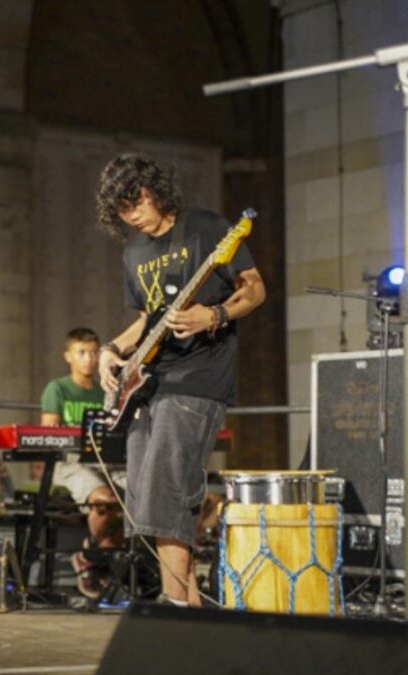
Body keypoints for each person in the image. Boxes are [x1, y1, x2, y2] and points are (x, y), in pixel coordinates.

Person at [94, 153, 265, 607]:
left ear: (153, 190)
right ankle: (188, 605)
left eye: (136, 203)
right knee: (146, 495)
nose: (132, 216)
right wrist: (112, 350)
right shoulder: (134, 251)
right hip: (150, 382)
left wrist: (214, 312)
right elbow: (147, 320)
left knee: (167, 487)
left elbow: (254, 287)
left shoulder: (207, 229)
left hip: (199, 377)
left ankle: (173, 606)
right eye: (122, 212)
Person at [37, 327, 124, 599]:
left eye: (93, 352)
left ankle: (92, 553)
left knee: (142, 496)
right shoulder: (58, 388)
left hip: (105, 461)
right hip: (70, 462)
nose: (88, 359)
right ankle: (95, 557)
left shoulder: (105, 390)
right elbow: (49, 435)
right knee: (104, 498)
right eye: (81, 352)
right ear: (68, 356)